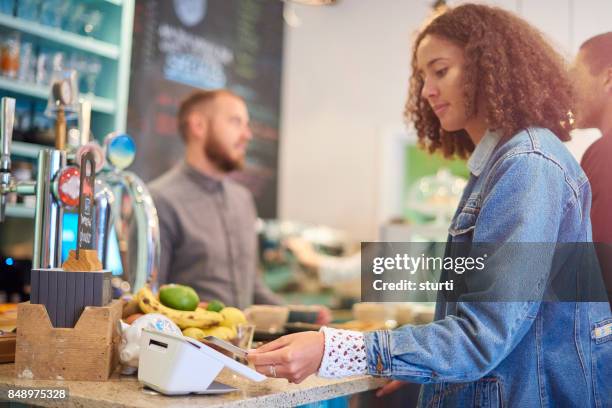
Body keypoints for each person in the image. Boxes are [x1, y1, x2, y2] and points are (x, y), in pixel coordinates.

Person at [248, 4, 612, 407]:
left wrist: (332, 348)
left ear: (490, 68)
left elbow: (482, 335)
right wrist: (415, 367)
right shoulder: (499, 164)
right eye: (423, 76)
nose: (426, 91)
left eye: (440, 71)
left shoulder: (527, 164)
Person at [149, 90, 283, 309]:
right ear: (198, 126)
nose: (247, 135)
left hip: (246, 341)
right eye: (235, 122)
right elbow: (148, 299)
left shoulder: (243, 199)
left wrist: (300, 317)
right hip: (189, 342)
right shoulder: (159, 200)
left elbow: (253, 287)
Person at [571, 32, 612, 307]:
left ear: (608, 78)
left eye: (574, 79)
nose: (567, 90)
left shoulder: (605, 152)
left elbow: (599, 269)